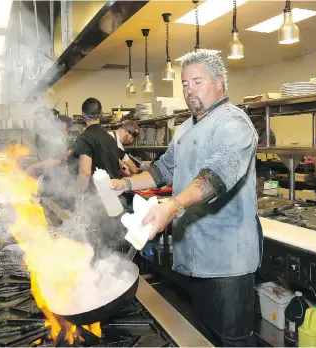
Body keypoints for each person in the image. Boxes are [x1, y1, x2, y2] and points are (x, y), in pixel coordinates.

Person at [111, 49, 261, 347]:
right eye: (184, 83)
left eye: (197, 81)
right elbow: (162, 170)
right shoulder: (186, 128)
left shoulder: (232, 123)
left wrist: (174, 204)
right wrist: (125, 183)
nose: (189, 89)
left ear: (219, 82)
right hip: (196, 254)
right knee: (205, 332)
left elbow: (215, 176)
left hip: (227, 259)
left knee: (234, 340)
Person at [73, 97, 124, 211]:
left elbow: (85, 173)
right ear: (101, 114)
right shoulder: (111, 139)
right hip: (114, 198)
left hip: (94, 202)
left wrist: (78, 197)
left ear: (83, 116)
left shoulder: (84, 138)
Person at [25, 107, 71, 198]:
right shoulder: (42, 135)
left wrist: (33, 166)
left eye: (40, 119)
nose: (37, 122)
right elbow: (43, 157)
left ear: (49, 118)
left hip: (58, 181)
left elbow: (56, 160)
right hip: (48, 178)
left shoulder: (56, 136)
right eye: (36, 120)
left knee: (55, 208)